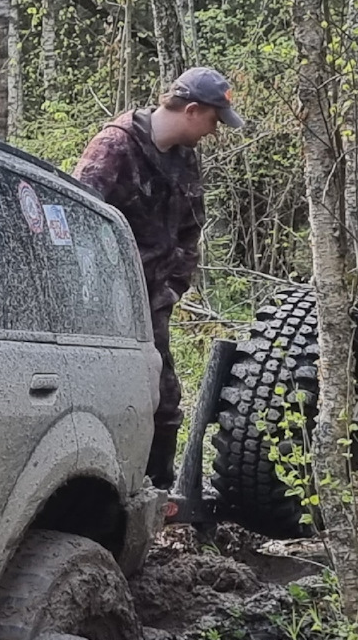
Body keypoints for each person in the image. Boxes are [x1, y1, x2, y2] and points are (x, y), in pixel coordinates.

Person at [74, 67, 243, 488]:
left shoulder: (185, 158)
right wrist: (100, 292)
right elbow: (77, 222)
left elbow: (190, 229)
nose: (213, 131)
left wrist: (172, 287)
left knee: (164, 402)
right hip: (104, 304)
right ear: (191, 110)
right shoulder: (114, 147)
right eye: (213, 121)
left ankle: (158, 493)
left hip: (153, 303)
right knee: (103, 400)